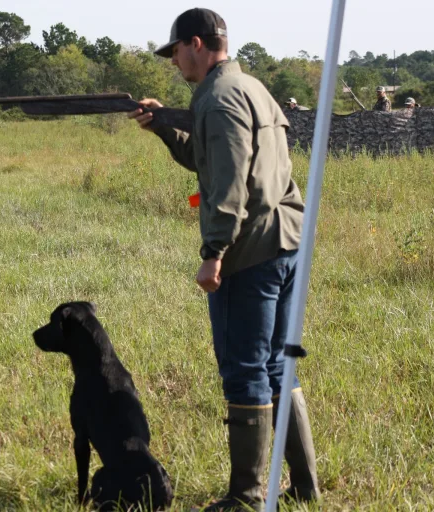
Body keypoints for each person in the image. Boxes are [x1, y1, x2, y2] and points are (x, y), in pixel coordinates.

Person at [127, 8, 320, 512]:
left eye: (175, 53)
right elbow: (210, 157)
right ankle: (304, 487)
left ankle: (246, 498)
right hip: (286, 241)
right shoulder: (253, 88)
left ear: (197, 43)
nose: (174, 63)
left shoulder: (215, 97)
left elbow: (230, 184)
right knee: (278, 367)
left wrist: (214, 251)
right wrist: (165, 128)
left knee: (245, 372)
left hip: (249, 250)